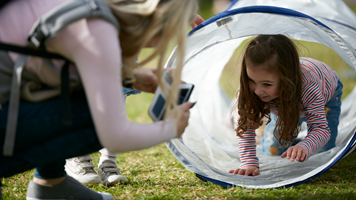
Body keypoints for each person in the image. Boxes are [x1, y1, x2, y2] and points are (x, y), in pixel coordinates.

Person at [0, 0, 201, 199]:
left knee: (81, 98)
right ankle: (50, 182)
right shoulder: (98, 29)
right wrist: (171, 128)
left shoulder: (93, 11)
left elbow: (59, 65)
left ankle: (52, 183)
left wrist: (129, 76)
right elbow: (115, 136)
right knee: (92, 118)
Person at [228, 34, 343, 176]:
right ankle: (298, 137)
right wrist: (249, 162)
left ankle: (303, 139)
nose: (258, 91)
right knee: (272, 149)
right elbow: (245, 124)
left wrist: (305, 146)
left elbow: (321, 129)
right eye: (251, 80)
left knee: (323, 152)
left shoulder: (309, 89)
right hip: (281, 103)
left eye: (266, 84)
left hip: (326, 95)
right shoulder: (252, 90)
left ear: (286, 78)